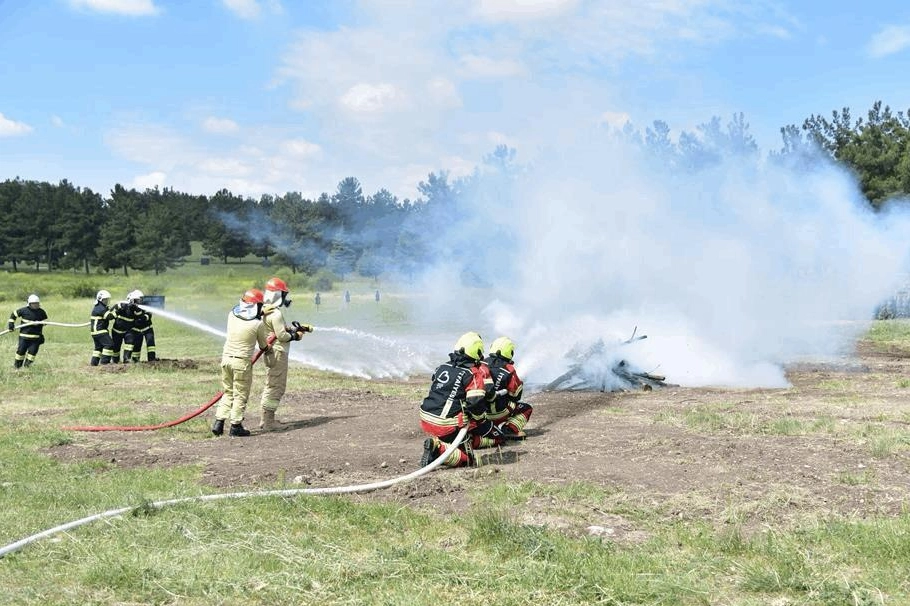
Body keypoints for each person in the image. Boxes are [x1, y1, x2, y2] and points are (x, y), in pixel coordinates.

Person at [418, 332, 503, 468]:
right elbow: (475, 403)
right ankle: (438, 449)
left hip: (426, 418)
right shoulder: (472, 373)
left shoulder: (442, 367)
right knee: (468, 460)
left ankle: (452, 442)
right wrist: (481, 419)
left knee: (466, 431)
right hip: (446, 425)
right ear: (477, 352)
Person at [212, 289, 271, 437]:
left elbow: (244, 316)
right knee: (240, 395)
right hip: (241, 363)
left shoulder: (231, 315)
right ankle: (236, 425)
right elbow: (263, 346)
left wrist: (258, 312)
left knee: (228, 392)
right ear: (256, 306)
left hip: (226, 359)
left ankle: (219, 422)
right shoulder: (257, 324)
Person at [259, 277, 312, 431]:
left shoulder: (264, 310)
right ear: (278, 295)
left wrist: (292, 329)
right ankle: (269, 422)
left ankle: (266, 419)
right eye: (283, 294)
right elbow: (281, 336)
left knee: (271, 384)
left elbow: (276, 330)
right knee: (277, 386)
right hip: (278, 353)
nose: (284, 298)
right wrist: (296, 336)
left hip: (272, 352)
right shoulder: (275, 313)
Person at [484, 337, 533, 439]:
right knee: (527, 408)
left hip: (482, 414)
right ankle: (509, 430)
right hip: (499, 413)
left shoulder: (481, 364)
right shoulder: (509, 369)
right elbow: (516, 396)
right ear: (509, 352)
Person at [8, 294, 48, 369]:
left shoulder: (41, 312)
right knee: (20, 352)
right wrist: (11, 323)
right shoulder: (23, 310)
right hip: (24, 337)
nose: (35, 305)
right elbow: (14, 314)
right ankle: (17, 367)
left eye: (36, 303)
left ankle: (27, 367)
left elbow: (45, 320)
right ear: (29, 303)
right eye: (33, 303)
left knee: (32, 353)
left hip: (36, 338)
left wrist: (43, 323)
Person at [124, 290, 156, 362]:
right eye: (138, 299)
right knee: (137, 345)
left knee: (150, 344)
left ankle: (152, 360)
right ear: (133, 300)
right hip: (137, 330)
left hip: (147, 328)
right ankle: (135, 361)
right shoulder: (130, 307)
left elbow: (148, 315)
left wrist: (143, 317)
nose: (140, 301)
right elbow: (130, 316)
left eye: (141, 299)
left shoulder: (146, 305)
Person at [89, 289, 116, 366]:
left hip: (95, 332)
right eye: (105, 300)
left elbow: (107, 312)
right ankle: (105, 362)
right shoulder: (100, 308)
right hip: (100, 331)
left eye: (107, 299)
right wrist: (117, 310)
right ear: (100, 300)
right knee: (109, 344)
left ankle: (94, 363)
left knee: (98, 348)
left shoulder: (99, 307)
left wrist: (113, 308)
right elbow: (110, 316)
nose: (107, 301)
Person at [109, 292, 137, 363]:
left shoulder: (136, 309)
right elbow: (112, 310)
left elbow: (140, 316)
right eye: (136, 300)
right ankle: (115, 361)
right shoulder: (122, 305)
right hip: (117, 331)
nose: (137, 302)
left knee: (130, 344)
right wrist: (122, 307)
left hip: (128, 331)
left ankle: (126, 360)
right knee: (116, 347)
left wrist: (136, 309)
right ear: (131, 300)